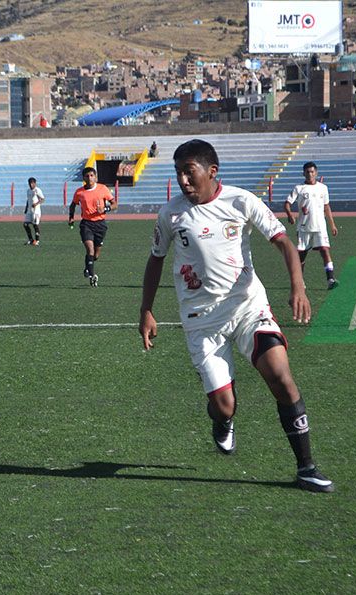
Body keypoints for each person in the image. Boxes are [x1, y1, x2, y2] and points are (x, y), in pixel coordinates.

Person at [138, 139, 334, 493]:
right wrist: (146, 310)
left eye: (189, 171)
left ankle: (306, 467)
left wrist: (298, 284)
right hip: (202, 320)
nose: (183, 180)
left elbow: (283, 241)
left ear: (212, 172)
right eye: (178, 172)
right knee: (224, 406)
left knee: (280, 376)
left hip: (248, 307)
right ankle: (222, 422)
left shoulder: (241, 201)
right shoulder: (171, 214)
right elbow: (156, 259)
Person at [284, 161, 339, 290]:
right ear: (303, 173)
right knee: (301, 256)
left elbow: (326, 207)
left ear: (316, 173)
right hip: (304, 227)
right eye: (308, 172)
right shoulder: (299, 188)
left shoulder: (323, 188)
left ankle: (330, 279)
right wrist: (290, 215)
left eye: (312, 172)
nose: (310, 174)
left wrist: (332, 225)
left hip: (320, 226)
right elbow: (287, 203)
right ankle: (299, 281)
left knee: (325, 250)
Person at [68, 166, 116, 287]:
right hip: (86, 224)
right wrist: (71, 217)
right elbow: (73, 205)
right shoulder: (79, 192)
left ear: (95, 177)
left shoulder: (103, 188)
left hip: (100, 224)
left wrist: (105, 208)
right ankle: (92, 276)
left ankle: (87, 267)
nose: (89, 178)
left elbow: (115, 204)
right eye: (87, 176)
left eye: (91, 176)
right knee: (90, 249)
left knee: (96, 255)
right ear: (83, 178)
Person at [23, 177, 45, 245]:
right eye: (29, 183)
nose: (30, 185)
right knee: (25, 224)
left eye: (32, 183)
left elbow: (42, 199)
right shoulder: (28, 191)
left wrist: (36, 204)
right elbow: (28, 200)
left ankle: (37, 241)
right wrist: (26, 208)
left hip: (36, 211)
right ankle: (31, 240)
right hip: (29, 210)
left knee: (35, 224)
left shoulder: (37, 190)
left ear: (35, 183)